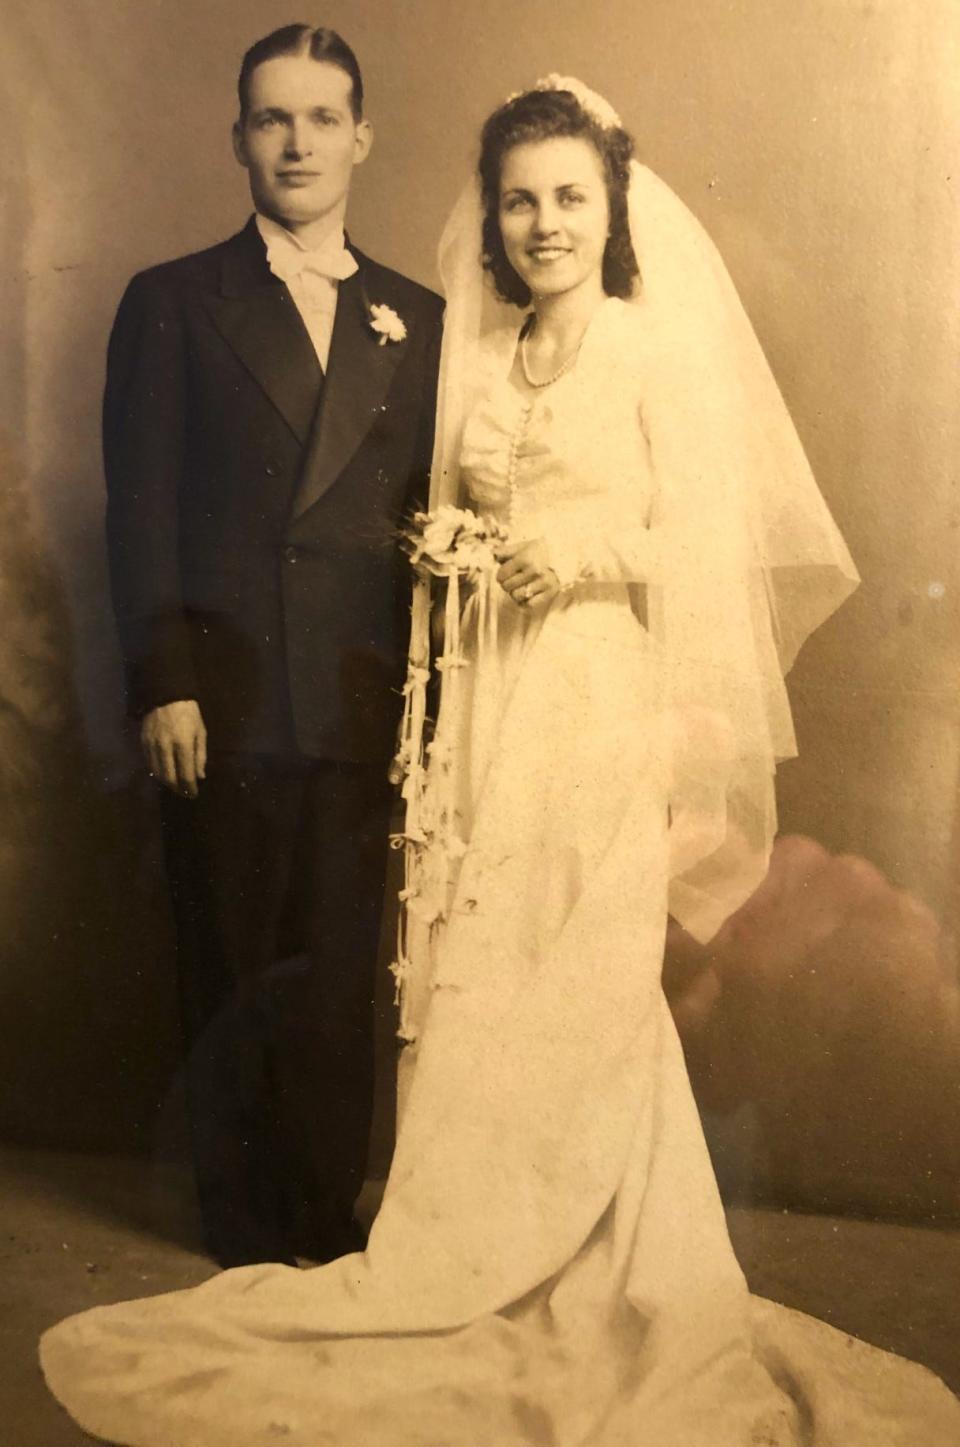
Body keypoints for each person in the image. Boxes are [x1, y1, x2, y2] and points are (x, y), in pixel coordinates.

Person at [41, 77, 960, 1446]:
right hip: (482, 703)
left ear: (614, 207)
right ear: (497, 213)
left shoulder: (652, 355)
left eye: (569, 198)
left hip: (594, 695)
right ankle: (463, 1239)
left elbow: (712, 554)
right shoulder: (476, 348)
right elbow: (433, 511)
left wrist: (585, 553)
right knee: (473, 963)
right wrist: (453, 549)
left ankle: (584, 1246)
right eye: (521, 199)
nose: (543, 224)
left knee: (580, 969)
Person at [100, 23, 443, 1270]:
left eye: (320, 117)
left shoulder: (420, 316)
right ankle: (242, 1228)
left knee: (343, 966)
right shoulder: (176, 301)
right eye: (271, 118)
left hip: (358, 701)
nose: (297, 142)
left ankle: (323, 1219)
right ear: (238, 137)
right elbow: (136, 512)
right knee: (235, 956)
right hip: (231, 698)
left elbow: (429, 521)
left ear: (362, 135)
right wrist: (166, 684)